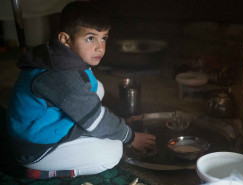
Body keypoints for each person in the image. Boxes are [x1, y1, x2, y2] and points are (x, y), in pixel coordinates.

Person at [7, 1, 156, 179]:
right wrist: (132, 137)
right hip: (34, 148)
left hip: (43, 125)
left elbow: (83, 96)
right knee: (113, 151)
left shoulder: (59, 54)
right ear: (65, 39)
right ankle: (43, 171)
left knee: (97, 88)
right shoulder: (62, 75)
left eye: (104, 38)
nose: (100, 47)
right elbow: (95, 119)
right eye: (90, 38)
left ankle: (83, 125)